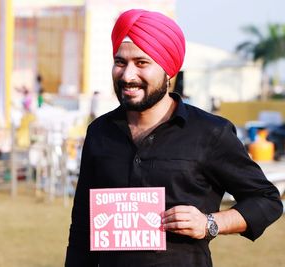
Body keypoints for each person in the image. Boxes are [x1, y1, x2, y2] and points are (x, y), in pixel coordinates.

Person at [65, 9, 283, 267]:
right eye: (120, 62)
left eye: (141, 63)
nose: (127, 75)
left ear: (169, 70)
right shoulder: (100, 132)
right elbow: (82, 226)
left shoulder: (210, 132)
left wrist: (210, 223)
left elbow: (267, 199)